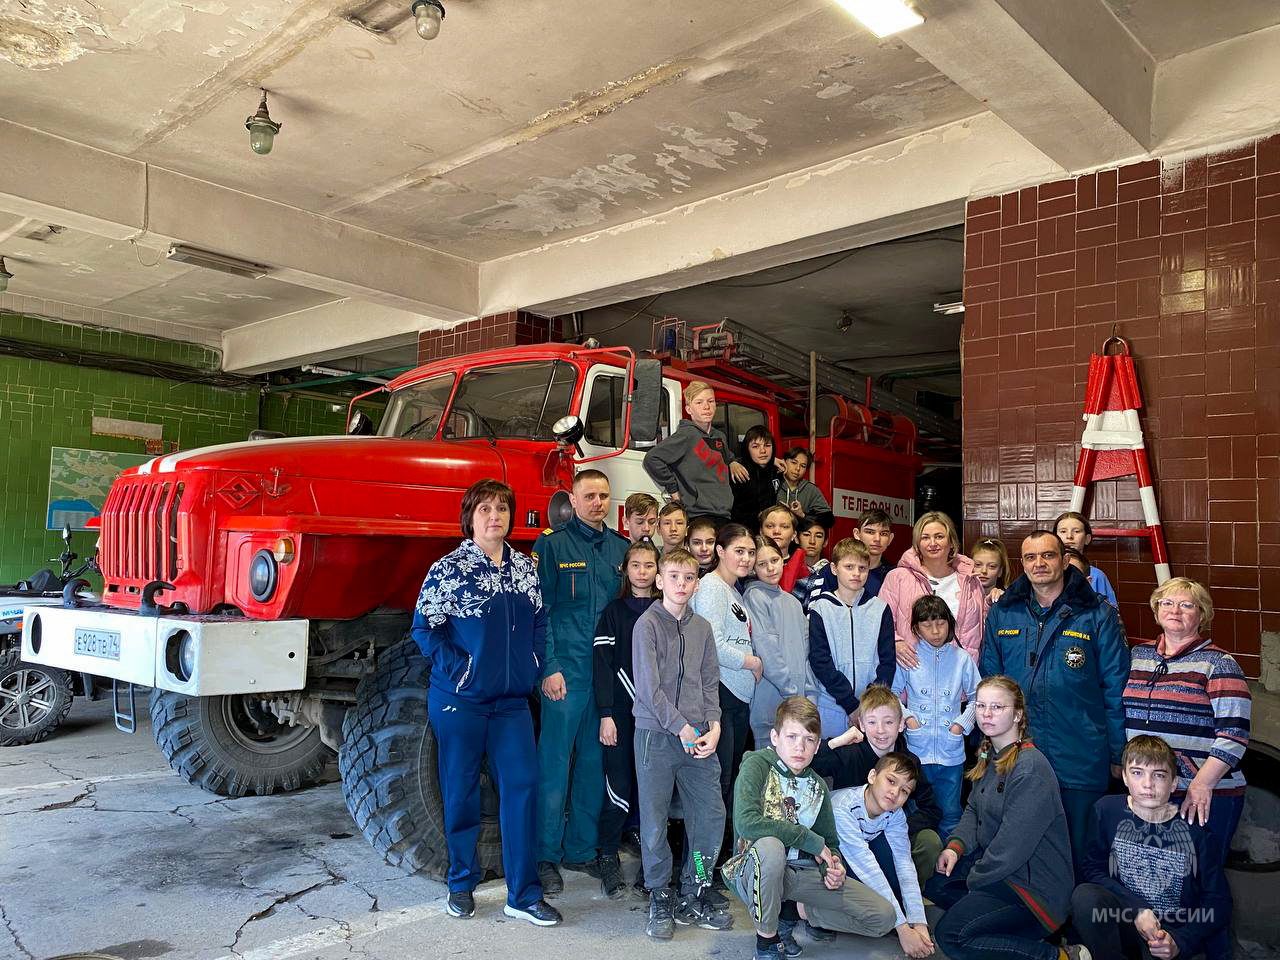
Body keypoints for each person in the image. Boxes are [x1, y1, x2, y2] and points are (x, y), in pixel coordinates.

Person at [412, 479, 561, 926]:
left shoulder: (524, 568)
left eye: (501, 508)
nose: (494, 517)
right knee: (459, 793)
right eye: (485, 510)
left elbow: (538, 621)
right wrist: (461, 670)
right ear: (470, 518)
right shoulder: (448, 569)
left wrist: (537, 663)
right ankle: (461, 884)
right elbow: (425, 628)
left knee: (523, 787)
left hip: (511, 705)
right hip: (462, 703)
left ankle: (523, 894)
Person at [981, 529, 1130, 878]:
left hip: (1079, 752)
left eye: (1047, 555)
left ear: (1064, 561)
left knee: (1079, 853)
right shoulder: (1005, 614)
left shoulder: (1096, 615)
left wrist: (1117, 753)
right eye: (1031, 557)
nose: (1039, 564)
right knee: (1021, 846)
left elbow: (1115, 689)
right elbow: (990, 682)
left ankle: (1074, 927)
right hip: (1019, 753)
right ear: (1022, 564)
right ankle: (1034, 924)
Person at [1123, 577, 1251, 951]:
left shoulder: (1219, 664)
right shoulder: (1139, 655)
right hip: (1153, 793)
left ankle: (1217, 953)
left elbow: (1234, 734)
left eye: (1186, 605)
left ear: (1202, 615)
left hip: (1206, 795)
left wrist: (1202, 783)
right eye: (1167, 604)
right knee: (1163, 885)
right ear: (1156, 611)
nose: (1175, 611)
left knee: (1202, 887)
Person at [723, 696, 897, 960]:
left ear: (817, 746)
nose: (799, 747)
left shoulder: (818, 787)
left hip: (799, 874)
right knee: (771, 847)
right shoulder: (756, 765)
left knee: (883, 917)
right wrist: (809, 839)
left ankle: (791, 914)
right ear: (774, 737)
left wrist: (833, 867)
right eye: (792, 737)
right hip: (753, 868)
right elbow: (747, 824)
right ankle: (767, 942)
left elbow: (830, 843)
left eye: (809, 740)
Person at [929, 676, 1080, 960]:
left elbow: (1011, 849)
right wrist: (955, 846)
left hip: (1033, 892)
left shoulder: (1030, 769)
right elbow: (974, 809)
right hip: (1003, 874)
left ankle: (1058, 956)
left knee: (950, 935)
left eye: (997, 707)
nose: (986, 713)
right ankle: (1002, 932)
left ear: (1018, 715)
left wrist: (974, 879)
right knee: (937, 885)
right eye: (981, 705)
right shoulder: (990, 753)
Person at [532, 469, 631, 894]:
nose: (597, 503)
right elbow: (541, 612)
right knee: (553, 767)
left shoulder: (621, 549)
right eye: (588, 496)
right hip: (566, 674)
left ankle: (580, 850)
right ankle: (545, 856)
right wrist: (548, 665)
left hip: (604, 676)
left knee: (594, 766)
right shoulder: (551, 547)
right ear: (572, 501)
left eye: (603, 496)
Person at [632, 547, 728, 938]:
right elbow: (650, 688)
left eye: (689, 578)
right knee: (654, 823)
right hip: (656, 735)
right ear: (660, 580)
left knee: (709, 817)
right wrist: (681, 727)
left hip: (699, 737)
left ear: (697, 582)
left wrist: (715, 725)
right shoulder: (646, 625)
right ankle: (659, 893)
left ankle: (695, 886)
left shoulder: (702, 628)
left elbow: (709, 682)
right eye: (674, 576)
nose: (681, 584)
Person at [1070, 735, 1231, 960]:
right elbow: (1092, 869)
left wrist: (1181, 940)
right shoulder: (1106, 810)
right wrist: (1136, 909)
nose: (1148, 784)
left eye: (1159, 775)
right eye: (1137, 773)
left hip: (1169, 935)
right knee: (1084, 897)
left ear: (1174, 783)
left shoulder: (1195, 832)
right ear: (1124, 776)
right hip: (1126, 921)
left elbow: (1218, 900)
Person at [813, 685, 945, 908]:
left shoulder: (909, 762)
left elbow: (931, 809)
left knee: (930, 842)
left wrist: (895, 828)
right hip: (850, 837)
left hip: (890, 835)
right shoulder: (850, 753)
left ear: (901, 724)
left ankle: (905, 898)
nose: (881, 730)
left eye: (889, 722)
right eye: (872, 722)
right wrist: (837, 742)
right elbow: (809, 764)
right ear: (861, 724)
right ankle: (856, 902)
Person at [593, 540, 661, 900]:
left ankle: (654, 868)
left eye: (649, 565)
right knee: (617, 788)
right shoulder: (613, 612)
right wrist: (606, 714)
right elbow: (603, 668)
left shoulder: (668, 611)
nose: (642, 572)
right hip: (620, 713)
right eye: (635, 565)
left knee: (653, 794)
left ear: (658, 571)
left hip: (658, 717)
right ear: (626, 569)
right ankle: (606, 854)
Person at [831, 753, 936, 958]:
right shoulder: (843, 808)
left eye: (904, 791)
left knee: (894, 865)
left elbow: (904, 864)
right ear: (872, 776)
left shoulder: (895, 815)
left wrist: (919, 922)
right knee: (883, 915)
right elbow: (866, 867)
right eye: (890, 781)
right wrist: (903, 928)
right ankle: (806, 911)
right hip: (822, 859)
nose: (895, 792)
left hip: (858, 854)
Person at [892, 595, 980, 838]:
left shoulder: (962, 658)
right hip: (917, 751)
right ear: (915, 629)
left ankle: (948, 868)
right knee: (915, 810)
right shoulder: (909, 656)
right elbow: (891, 695)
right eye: (926, 625)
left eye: (940, 623)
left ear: (950, 623)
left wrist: (960, 726)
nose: (935, 631)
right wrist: (908, 718)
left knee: (951, 812)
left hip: (951, 753)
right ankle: (919, 862)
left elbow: (978, 697)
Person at [691, 523, 763, 819]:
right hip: (721, 691)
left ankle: (723, 857)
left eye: (750, 552)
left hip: (737, 696)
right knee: (717, 782)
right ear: (720, 551)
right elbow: (713, 644)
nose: (746, 558)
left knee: (729, 778)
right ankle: (702, 861)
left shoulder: (733, 590)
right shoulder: (711, 587)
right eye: (739, 551)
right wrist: (752, 662)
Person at [808, 538, 895, 737]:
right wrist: (849, 703)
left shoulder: (880, 609)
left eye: (862, 568)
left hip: (871, 709)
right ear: (834, 568)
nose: (856, 573)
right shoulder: (821, 608)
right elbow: (820, 660)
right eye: (849, 566)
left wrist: (868, 704)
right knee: (831, 762)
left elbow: (887, 661)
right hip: (831, 704)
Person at [882, 511, 985, 667]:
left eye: (939, 536)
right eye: (925, 537)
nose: (932, 543)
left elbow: (982, 629)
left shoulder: (971, 581)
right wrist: (895, 642)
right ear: (917, 544)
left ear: (951, 542)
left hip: (959, 674)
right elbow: (881, 622)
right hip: (913, 674)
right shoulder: (897, 578)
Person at [643, 380, 749, 527]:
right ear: (688, 409)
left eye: (711, 401)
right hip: (699, 515)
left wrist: (732, 462)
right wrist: (673, 489)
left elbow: (726, 456)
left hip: (724, 513)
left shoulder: (719, 436)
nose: (706, 407)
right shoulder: (686, 435)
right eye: (699, 402)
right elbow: (651, 459)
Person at [743, 536, 817, 745]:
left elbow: (806, 653)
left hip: (798, 703)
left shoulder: (793, 602)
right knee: (768, 771)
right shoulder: (754, 597)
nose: (770, 568)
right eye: (762, 564)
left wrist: (810, 694)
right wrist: (792, 693)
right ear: (753, 568)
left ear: (783, 560)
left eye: (774, 561)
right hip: (769, 703)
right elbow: (768, 652)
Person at [1054, 511, 1118, 606]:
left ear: (1087, 539)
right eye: (1063, 531)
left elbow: (1111, 614)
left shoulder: (1097, 576)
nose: (1069, 536)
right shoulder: (1046, 572)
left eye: (1076, 531)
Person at [732, 424, 784, 530]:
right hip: (742, 533)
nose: (763, 451)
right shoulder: (739, 472)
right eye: (755, 446)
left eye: (767, 445)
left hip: (770, 532)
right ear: (747, 449)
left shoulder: (778, 471)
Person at [776, 447, 835, 530]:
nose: (797, 469)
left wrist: (802, 515)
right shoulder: (773, 482)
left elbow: (829, 520)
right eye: (793, 462)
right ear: (784, 461)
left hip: (798, 538)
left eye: (803, 466)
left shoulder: (811, 489)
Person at [854, 509, 896, 597]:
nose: (877, 539)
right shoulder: (836, 570)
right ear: (857, 534)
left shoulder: (895, 575)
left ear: (890, 538)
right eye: (870, 532)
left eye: (883, 534)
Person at [970, 537, 1010, 607]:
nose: (984, 571)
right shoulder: (962, 595)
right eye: (978, 565)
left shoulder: (1008, 598)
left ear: (1000, 571)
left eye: (991, 566)